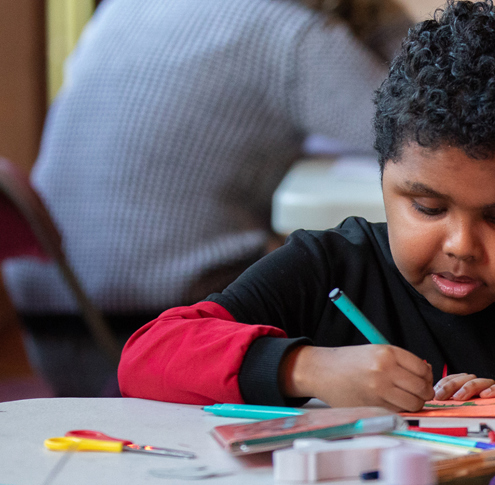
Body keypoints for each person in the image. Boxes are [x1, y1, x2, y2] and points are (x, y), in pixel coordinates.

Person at [118, 0, 495, 411]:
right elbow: (146, 357)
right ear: (383, 178)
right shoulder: (327, 272)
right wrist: (305, 369)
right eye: (427, 208)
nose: (461, 247)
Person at [2, 0, 410, 397]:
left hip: (50, 316)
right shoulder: (291, 35)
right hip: (160, 332)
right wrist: (380, 15)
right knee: (359, 273)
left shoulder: (124, 8)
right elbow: (415, 126)